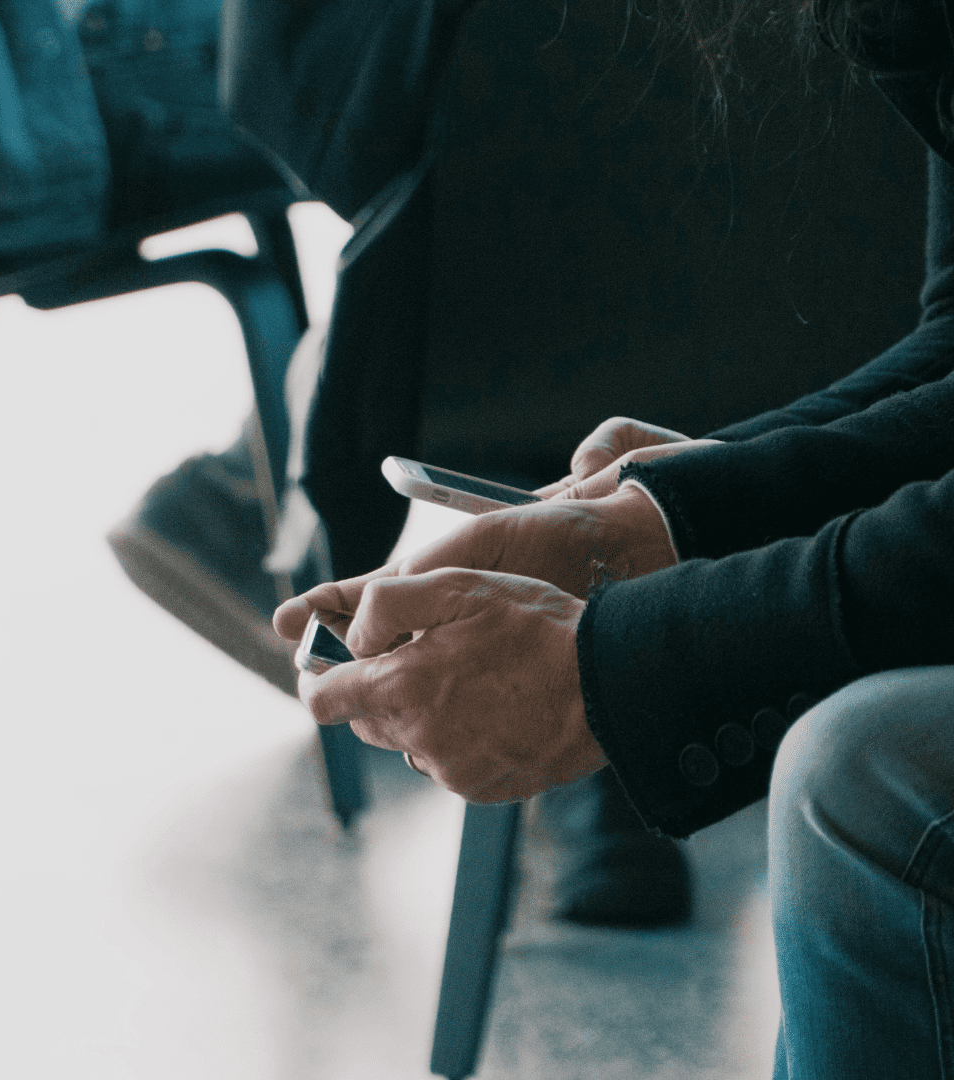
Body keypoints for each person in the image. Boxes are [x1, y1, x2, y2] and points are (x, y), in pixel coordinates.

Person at [110, 0, 930, 929]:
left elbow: (293, 88)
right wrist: (648, 528)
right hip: (850, 303)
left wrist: (637, 671)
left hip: (496, 338)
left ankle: (264, 488)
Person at [273, 0, 954, 1072]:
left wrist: (624, 666)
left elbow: (300, 108)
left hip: (486, 354)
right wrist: (643, 524)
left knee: (869, 772)